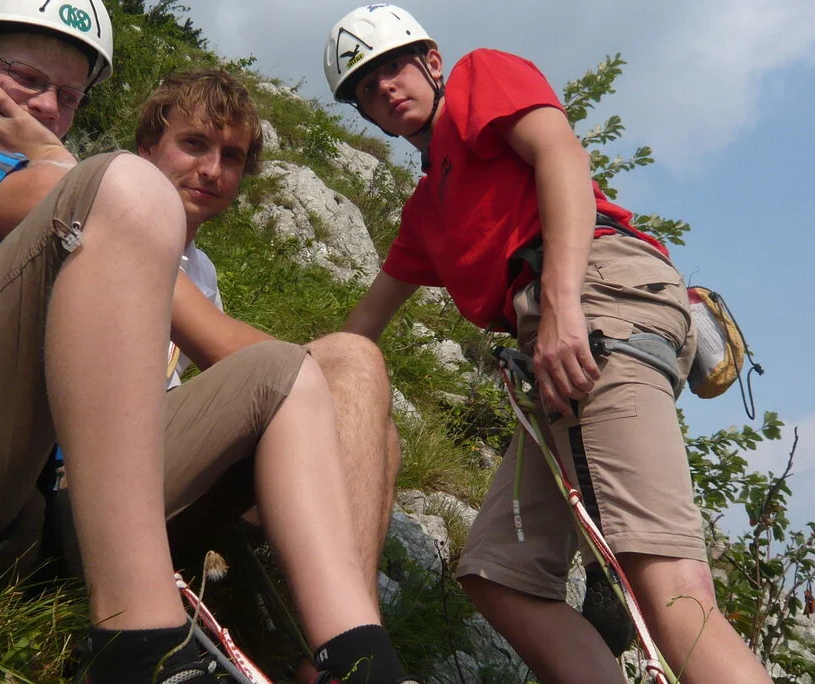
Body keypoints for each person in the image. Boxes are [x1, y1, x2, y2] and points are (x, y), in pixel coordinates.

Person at [0, 2, 415, 682]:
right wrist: (72, 167)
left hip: (46, 512)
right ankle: (140, 648)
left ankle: (355, 664)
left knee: (303, 367)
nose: (47, 108)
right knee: (124, 192)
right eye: (25, 78)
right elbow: (95, 198)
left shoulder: (108, 207)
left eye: (69, 95)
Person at [322, 5, 774, 683]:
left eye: (393, 66)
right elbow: (364, 322)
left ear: (432, 62)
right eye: (365, 86)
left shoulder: (480, 79)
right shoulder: (426, 212)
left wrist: (561, 303)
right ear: (365, 113)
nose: (385, 87)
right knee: (499, 574)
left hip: (593, 299)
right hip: (555, 345)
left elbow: (561, 153)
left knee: (668, 591)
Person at [133, 67, 402, 612]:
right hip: (103, 469)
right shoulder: (122, 224)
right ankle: (351, 644)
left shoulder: (200, 271)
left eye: (231, 157)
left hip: (164, 450)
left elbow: (230, 384)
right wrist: (338, 370)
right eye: (193, 144)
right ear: (147, 148)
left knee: (380, 431)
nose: (211, 170)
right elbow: (233, 353)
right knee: (348, 367)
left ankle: (336, 633)